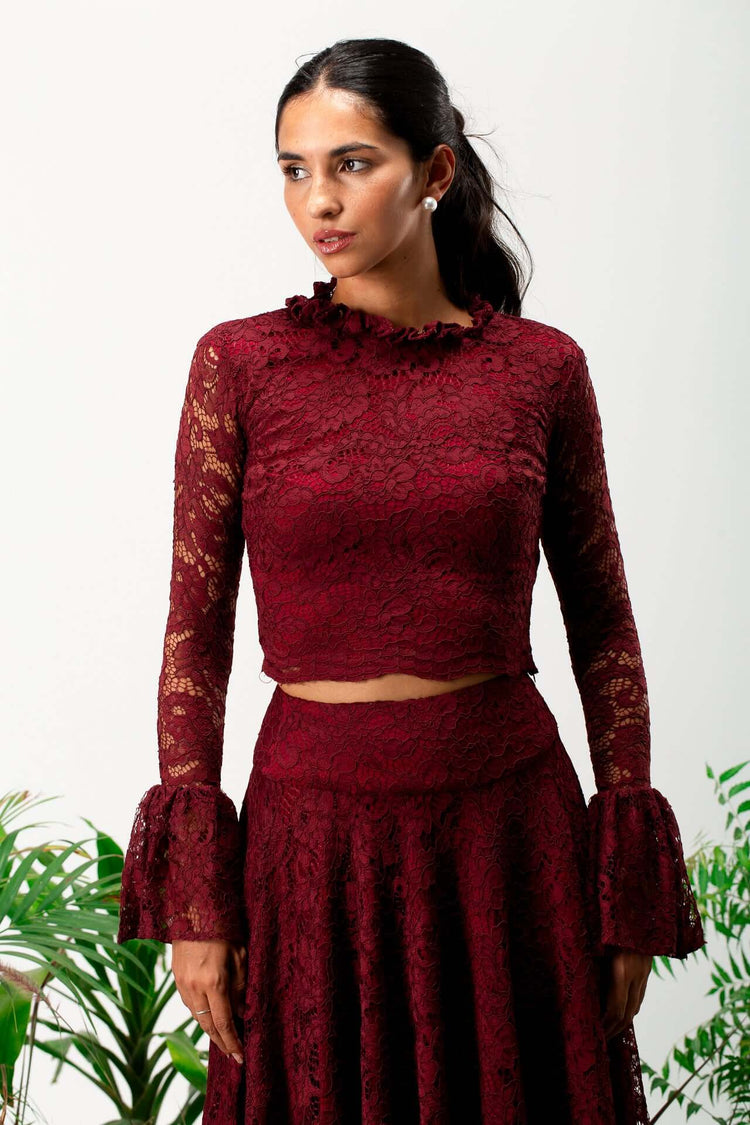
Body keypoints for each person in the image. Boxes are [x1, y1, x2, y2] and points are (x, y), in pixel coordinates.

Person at [117, 36, 706, 1125]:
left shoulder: (542, 370)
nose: (318, 200)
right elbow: (194, 635)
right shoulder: (238, 366)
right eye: (294, 168)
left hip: (508, 840)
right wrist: (199, 897)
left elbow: (604, 627)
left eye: (352, 164)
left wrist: (622, 868)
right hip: (309, 846)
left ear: (435, 171)